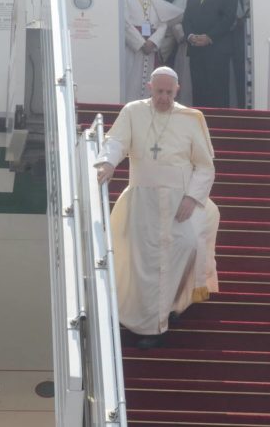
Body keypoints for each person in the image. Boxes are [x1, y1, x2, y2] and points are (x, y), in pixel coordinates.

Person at [95, 67, 220, 349]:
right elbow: (116, 141)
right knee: (144, 262)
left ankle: (169, 308)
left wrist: (191, 198)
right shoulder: (132, 111)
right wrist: (108, 162)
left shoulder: (190, 118)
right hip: (142, 200)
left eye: (168, 92)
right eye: (158, 91)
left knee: (186, 246)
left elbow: (204, 166)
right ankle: (149, 327)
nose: (163, 97)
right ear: (150, 88)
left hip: (179, 202)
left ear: (176, 91)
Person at [182, 0, 239, 108]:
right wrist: (191, 36)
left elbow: (228, 18)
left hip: (217, 49)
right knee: (199, 94)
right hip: (196, 51)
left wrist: (209, 37)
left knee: (217, 94)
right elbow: (187, 20)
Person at [123, 0, 183, 103]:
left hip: (150, 50)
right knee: (130, 83)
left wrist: (153, 41)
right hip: (133, 49)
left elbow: (164, 22)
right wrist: (140, 43)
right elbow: (124, 23)